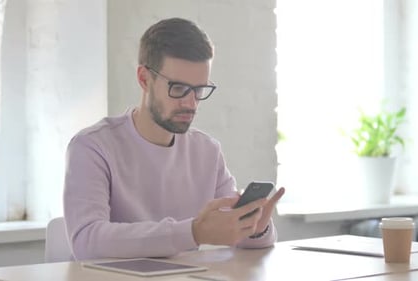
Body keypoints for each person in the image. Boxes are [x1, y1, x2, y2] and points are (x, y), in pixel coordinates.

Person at [63, 17, 285, 260]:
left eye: (199, 90)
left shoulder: (206, 151)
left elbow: (236, 234)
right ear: (144, 79)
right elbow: (87, 241)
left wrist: (255, 228)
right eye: (178, 88)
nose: (190, 103)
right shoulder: (93, 146)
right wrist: (192, 232)